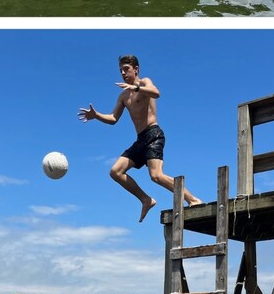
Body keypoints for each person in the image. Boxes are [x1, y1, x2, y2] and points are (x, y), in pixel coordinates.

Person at [77, 55, 202, 222]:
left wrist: (136, 88)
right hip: (140, 139)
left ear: (136, 69)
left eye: (126, 69)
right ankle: (146, 199)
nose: (123, 73)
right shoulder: (123, 96)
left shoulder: (144, 83)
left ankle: (193, 200)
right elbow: (114, 119)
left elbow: (156, 93)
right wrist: (96, 115)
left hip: (153, 134)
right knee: (115, 171)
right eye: (121, 70)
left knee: (156, 176)